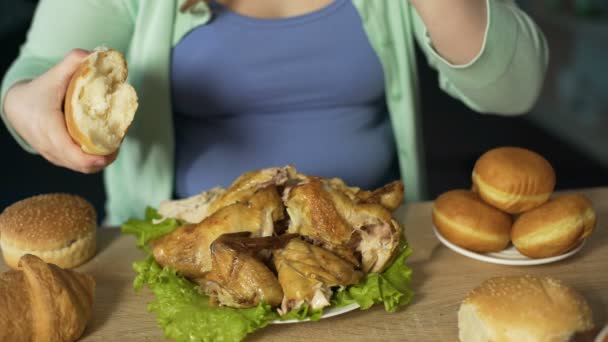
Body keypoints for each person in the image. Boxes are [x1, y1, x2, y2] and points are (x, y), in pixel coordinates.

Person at [0, 0, 548, 225]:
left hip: (371, 244)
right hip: (185, 255)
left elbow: (514, 91)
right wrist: (25, 104)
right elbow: (35, 75)